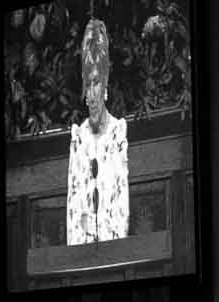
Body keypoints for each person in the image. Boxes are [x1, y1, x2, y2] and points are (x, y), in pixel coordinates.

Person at [65, 19, 130, 246]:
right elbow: (74, 215)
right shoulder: (78, 138)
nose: (90, 95)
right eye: (87, 85)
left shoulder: (117, 133)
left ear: (105, 86)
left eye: (96, 83)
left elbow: (121, 210)